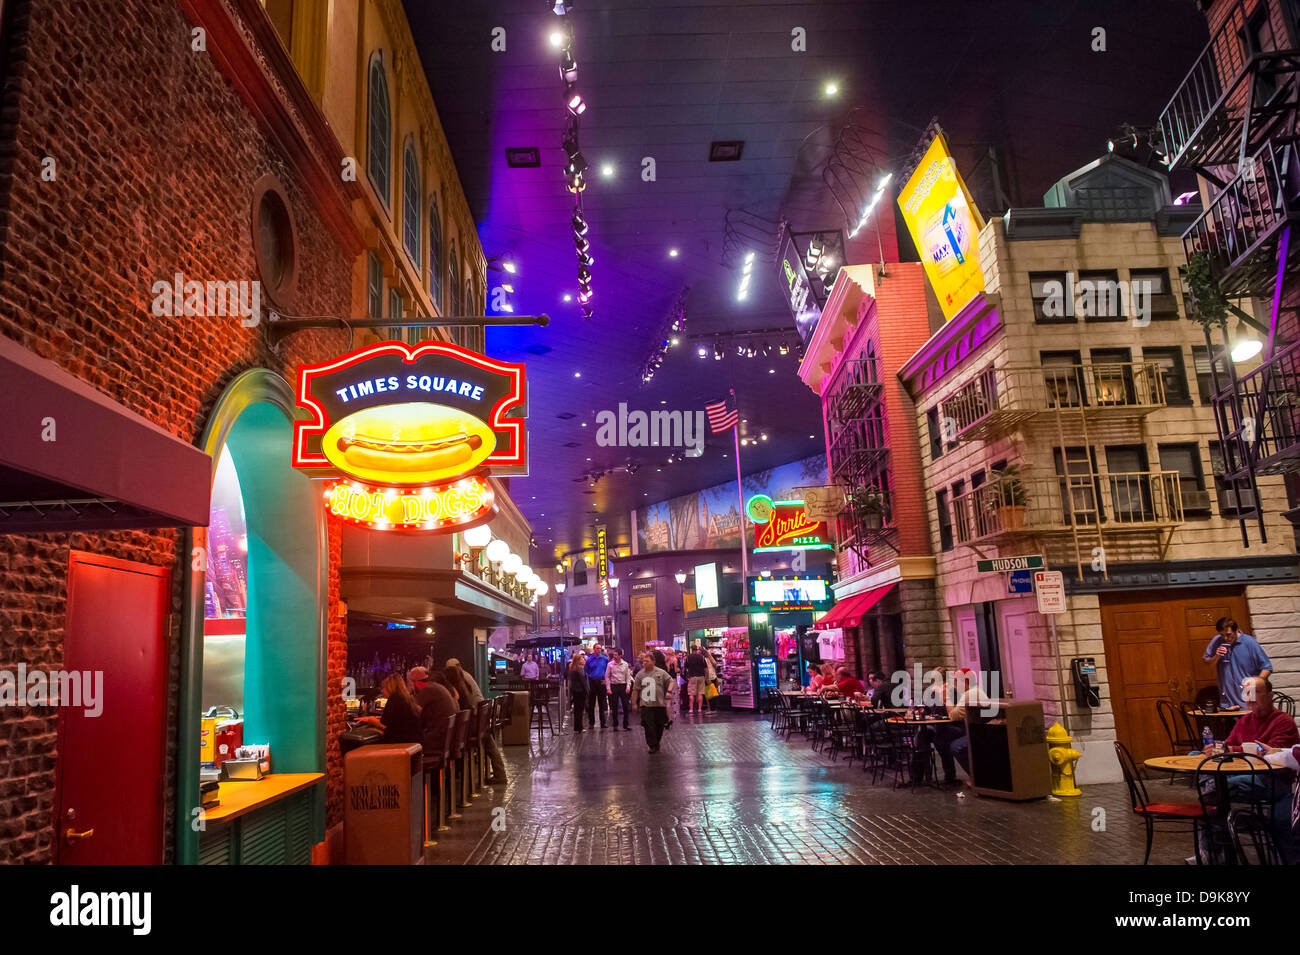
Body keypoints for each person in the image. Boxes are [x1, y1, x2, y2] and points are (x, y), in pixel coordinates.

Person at [442, 662, 508, 784]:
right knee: (489, 743)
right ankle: (500, 773)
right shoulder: (464, 684)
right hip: (479, 722)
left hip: (471, 728)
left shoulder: (455, 690)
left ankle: (450, 778)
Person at [934, 668, 991, 787]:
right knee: (941, 738)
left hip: (979, 733)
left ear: (965, 681)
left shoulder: (969, 694)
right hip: (981, 730)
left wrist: (946, 698)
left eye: (956, 682)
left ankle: (978, 778)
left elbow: (953, 715)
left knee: (955, 746)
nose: (954, 685)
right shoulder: (974, 691)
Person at [1203, 617, 1272, 710]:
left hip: (1248, 696)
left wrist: (1256, 684)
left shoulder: (1249, 642)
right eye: (1222, 635)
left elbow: (1267, 667)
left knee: (1248, 722)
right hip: (1227, 699)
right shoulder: (1217, 641)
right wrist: (1217, 656)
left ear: (1236, 630)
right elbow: (1207, 663)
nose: (1225, 638)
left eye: (1228, 634)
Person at [409, 667, 459, 759]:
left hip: (439, 741)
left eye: (411, 682)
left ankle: (414, 772)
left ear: (414, 682)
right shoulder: (436, 687)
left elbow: (414, 713)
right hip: (449, 739)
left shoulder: (427, 690)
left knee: (408, 745)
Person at [358, 673, 422, 744]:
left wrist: (370, 719)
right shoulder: (406, 698)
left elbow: (383, 724)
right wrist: (377, 718)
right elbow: (397, 719)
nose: (382, 691)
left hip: (400, 742)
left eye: (384, 688)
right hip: (414, 740)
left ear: (390, 687)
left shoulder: (394, 699)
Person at [632, 651, 673, 753]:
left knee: (659, 725)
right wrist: (634, 703)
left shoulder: (660, 672)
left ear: (653, 662)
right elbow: (635, 690)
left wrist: (669, 691)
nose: (644, 663)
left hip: (659, 704)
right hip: (646, 705)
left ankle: (656, 742)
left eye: (647, 661)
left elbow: (671, 681)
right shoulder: (640, 675)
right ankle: (652, 745)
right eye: (643, 661)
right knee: (648, 726)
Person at [605, 648, 633, 730]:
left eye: (616, 655)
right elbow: (607, 677)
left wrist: (628, 686)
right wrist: (608, 688)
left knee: (625, 706)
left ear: (620, 655)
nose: (614, 656)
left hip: (623, 686)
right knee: (614, 706)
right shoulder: (610, 664)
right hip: (614, 686)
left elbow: (628, 677)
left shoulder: (625, 664)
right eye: (614, 655)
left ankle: (626, 724)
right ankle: (615, 725)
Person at [585, 644, 611, 729]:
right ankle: (591, 722)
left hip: (601, 681)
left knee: (602, 703)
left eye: (600, 648)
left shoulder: (604, 659)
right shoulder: (589, 659)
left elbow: (608, 670)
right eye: (597, 648)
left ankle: (603, 723)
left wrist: (606, 679)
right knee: (591, 703)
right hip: (593, 681)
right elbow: (587, 670)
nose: (599, 650)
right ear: (594, 649)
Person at [684, 644, 709, 715]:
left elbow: (686, 668)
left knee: (691, 693)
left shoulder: (688, 658)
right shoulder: (702, 657)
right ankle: (699, 709)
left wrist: (687, 676)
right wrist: (706, 676)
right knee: (700, 693)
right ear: (697, 649)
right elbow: (706, 668)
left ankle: (691, 709)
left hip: (692, 677)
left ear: (691, 649)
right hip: (701, 677)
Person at [568, 652, 590, 733]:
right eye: (582, 658)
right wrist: (587, 690)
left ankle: (578, 727)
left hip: (577, 691)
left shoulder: (575, 668)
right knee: (579, 710)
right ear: (578, 660)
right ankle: (579, 727)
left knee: (578, 709)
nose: (584, 660)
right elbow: (583, 681)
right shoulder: (578, 669)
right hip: (580, 691)